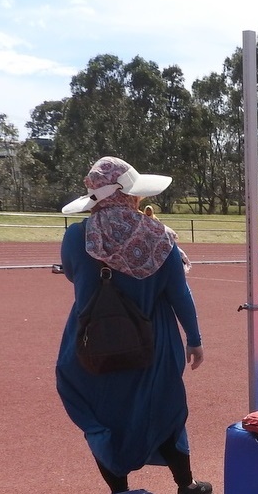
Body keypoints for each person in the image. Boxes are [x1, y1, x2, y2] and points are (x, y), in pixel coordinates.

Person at [55, 156, 212, 494]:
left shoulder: (76, 237)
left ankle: (121, 491)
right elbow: (179, 295)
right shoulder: (160, 237)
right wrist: (194, 339)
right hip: (153, 347)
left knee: (101, 418)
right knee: (163, 409)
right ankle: (187, 484)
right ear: (130, 194)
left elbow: (72, 275)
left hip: (91, 345)